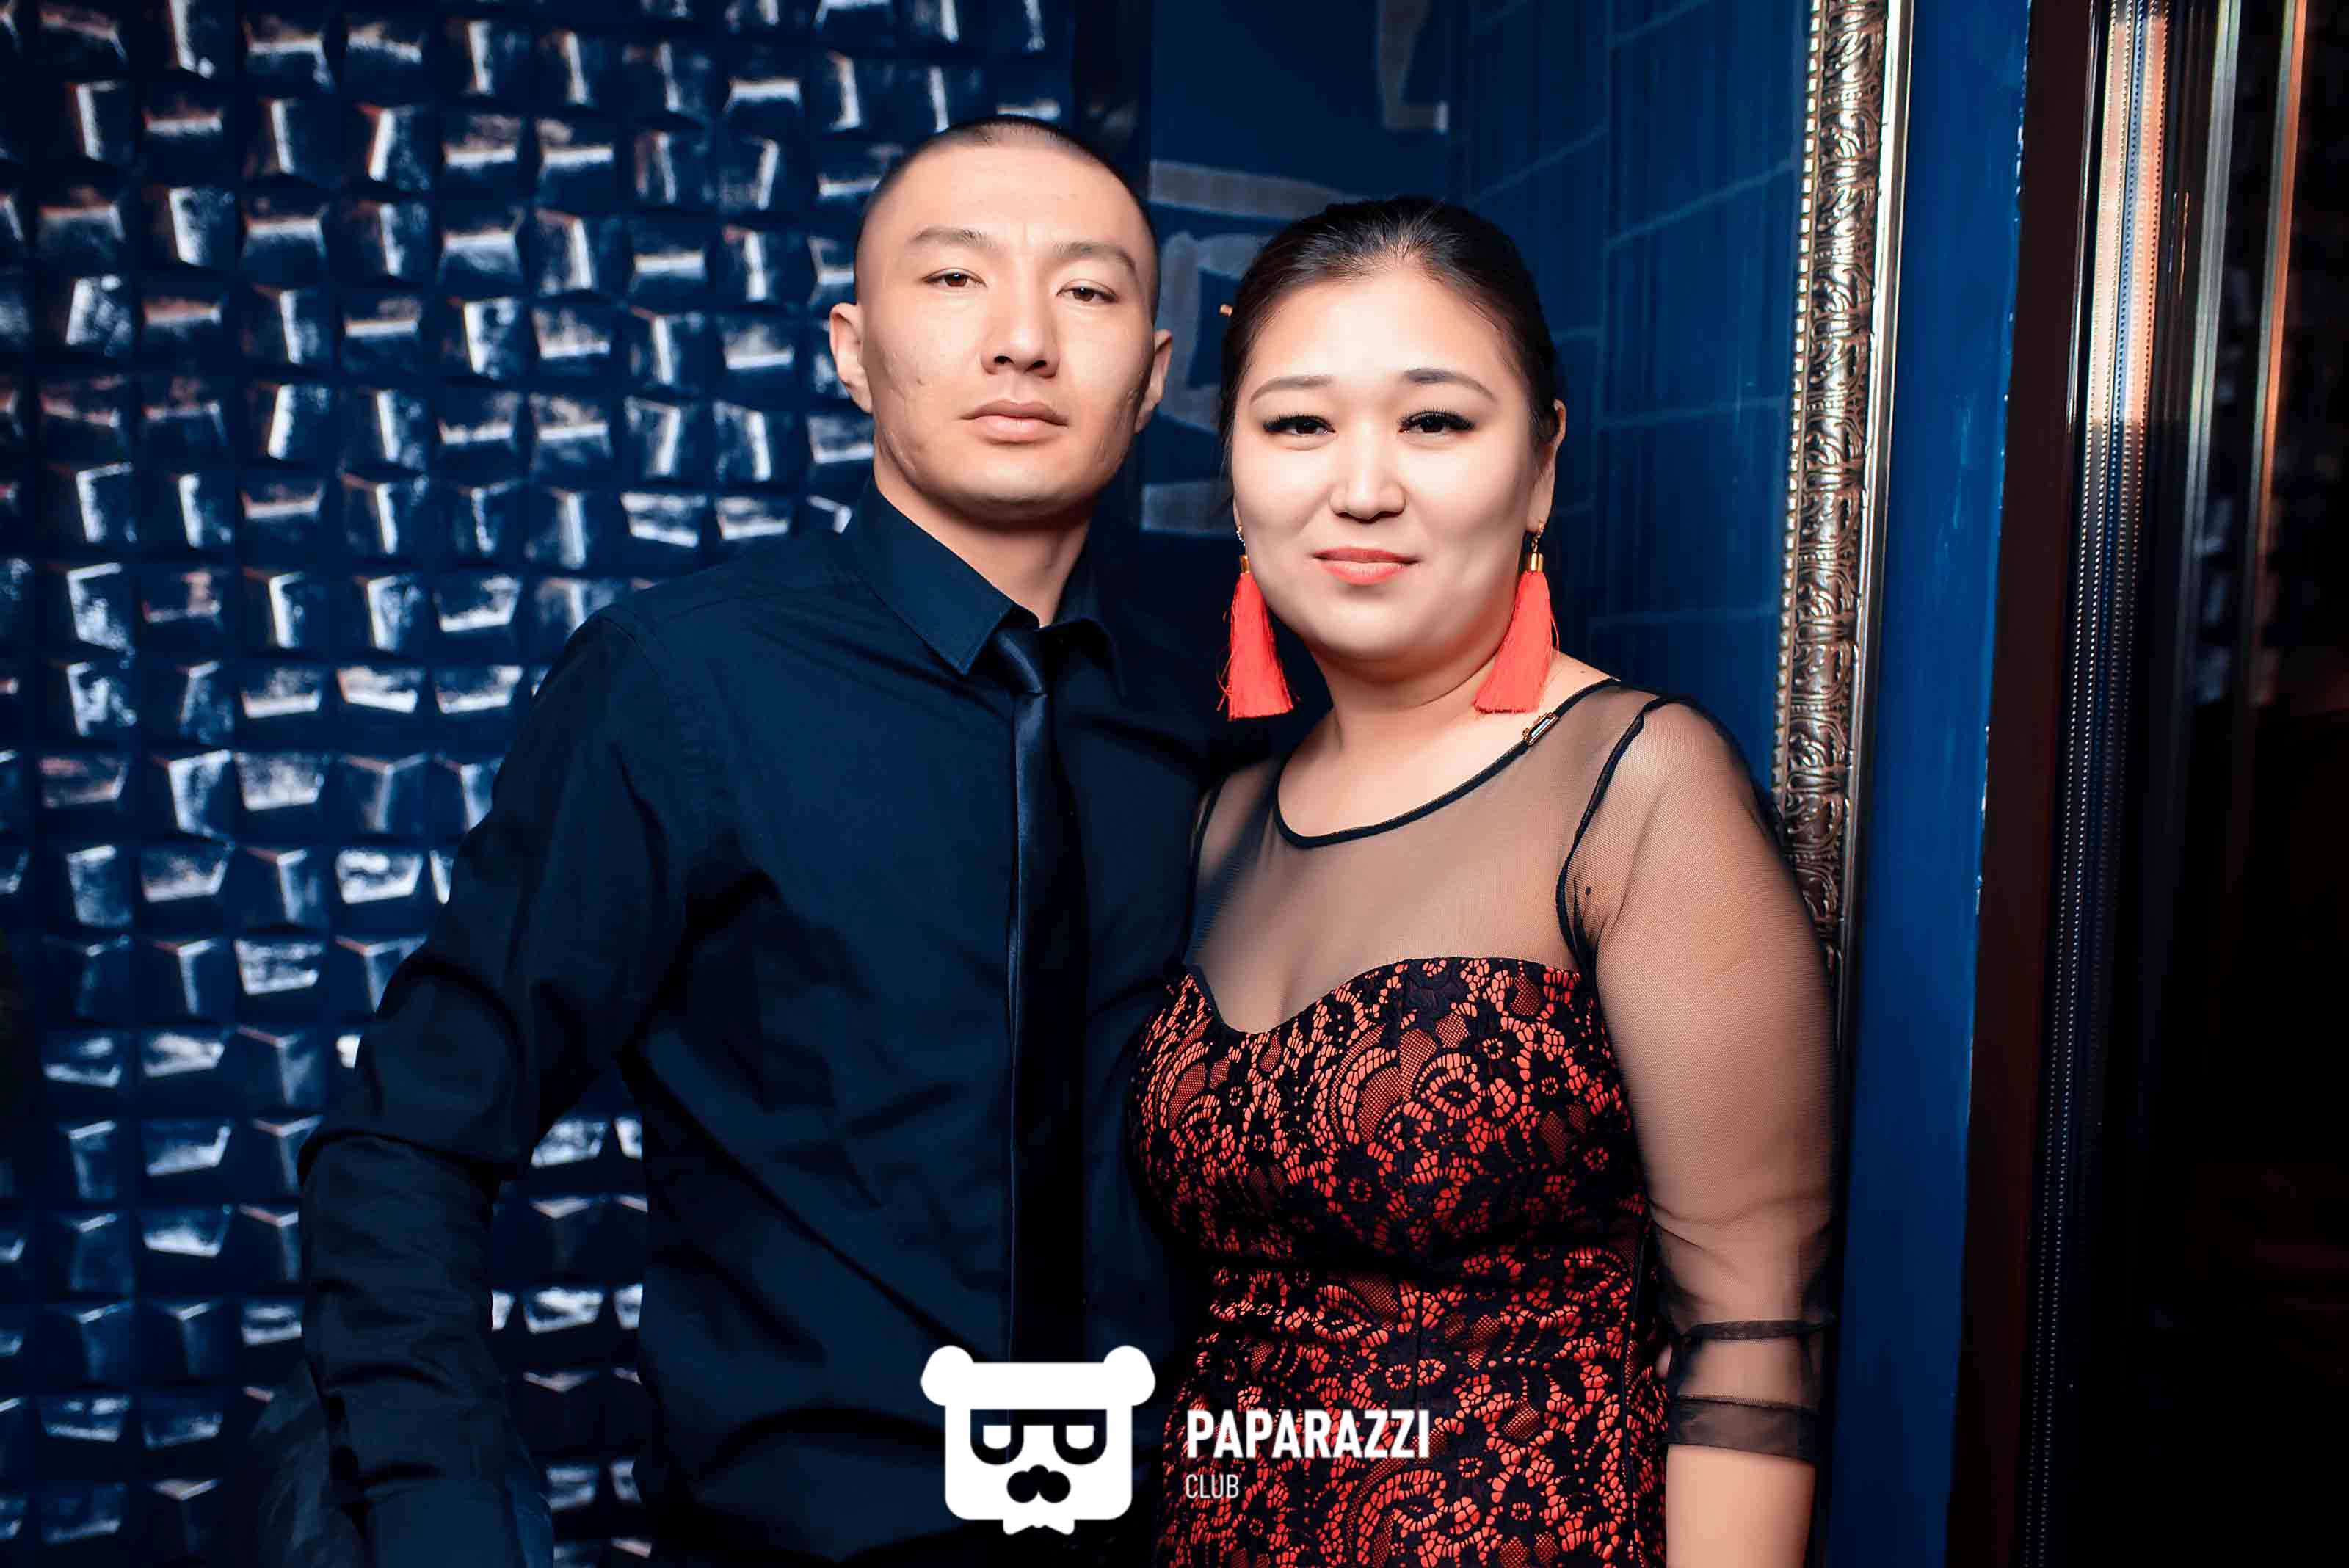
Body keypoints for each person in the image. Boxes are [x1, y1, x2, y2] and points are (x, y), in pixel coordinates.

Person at [297, 115, 1225, 1568]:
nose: (1024, 340)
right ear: (852, 350)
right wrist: (444, 1515)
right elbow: (406, 1137)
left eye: (1089, 291)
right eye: (955, 279)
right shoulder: (680, 685)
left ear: (1155, 375)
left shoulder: (1217, 714)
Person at [1127, 198, 1839, 1565]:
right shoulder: (1222, 819)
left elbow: (1752, 1333)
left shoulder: (1635, 789)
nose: (1363, 487)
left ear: (1541, 466)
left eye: (1436, 422)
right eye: (1298, 424)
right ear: (1235, 474)